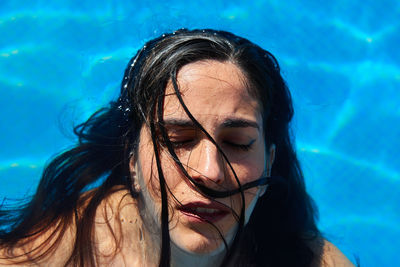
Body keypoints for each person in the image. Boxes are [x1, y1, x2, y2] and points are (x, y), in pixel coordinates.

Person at [0, 29, 355, 266]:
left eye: (237, 143)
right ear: (133, 162)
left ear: (269, 163)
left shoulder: (308, 260)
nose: (209, 172)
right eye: (178, 141)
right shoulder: (67, 249)